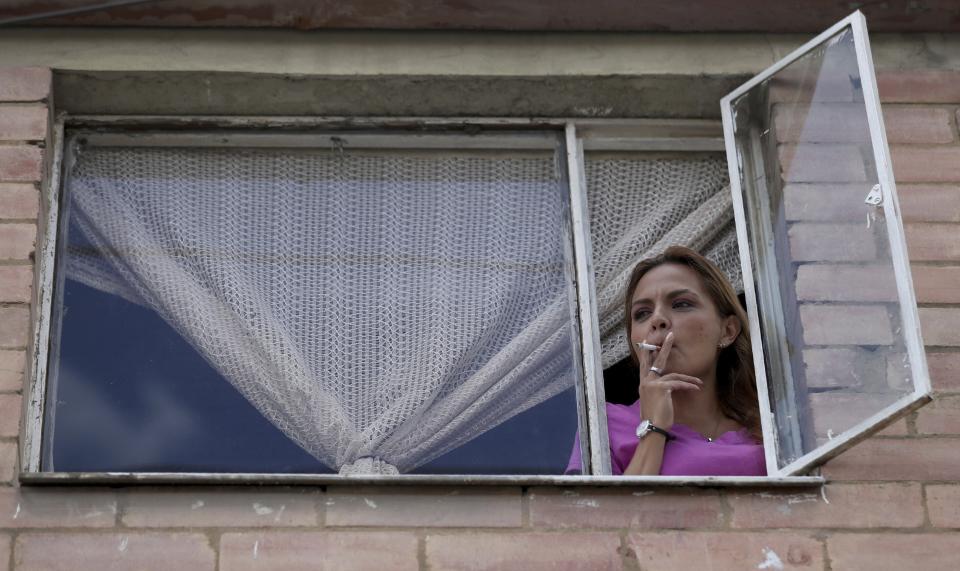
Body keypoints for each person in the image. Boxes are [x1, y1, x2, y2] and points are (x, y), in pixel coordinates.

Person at [567, 245, 766, 476]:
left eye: (681, 304)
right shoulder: (603, 426)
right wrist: (653, 427)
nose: (657, 319)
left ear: (727, 330)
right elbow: (609, 512)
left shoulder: (768, 428)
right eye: (642, 313)